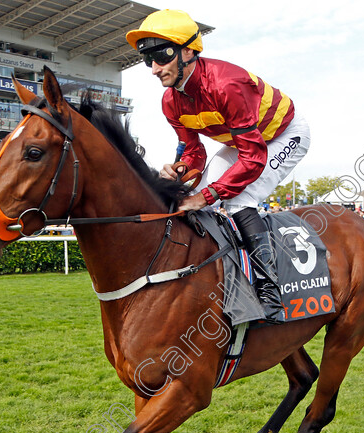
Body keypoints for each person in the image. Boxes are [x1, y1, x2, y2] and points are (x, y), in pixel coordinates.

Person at [126, 10, 311, 321]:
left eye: (161, 55)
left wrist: (208, 195)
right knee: (191, 193)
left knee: (240, 197)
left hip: (285, 135)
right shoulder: (170, 101)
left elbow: (253, 159)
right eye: (148, 59)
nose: (154, 68)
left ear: (188, 51)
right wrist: (181, 169)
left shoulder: (226, 85)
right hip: (243, 144)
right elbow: (195, 152)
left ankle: (270, 291)